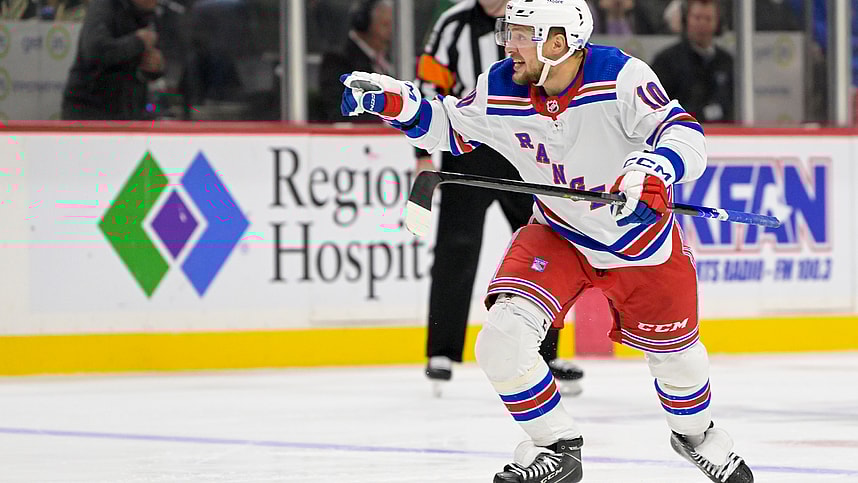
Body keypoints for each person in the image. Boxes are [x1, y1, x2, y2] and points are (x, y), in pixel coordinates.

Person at [338, 0, 755, 481]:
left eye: (521, 35)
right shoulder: (501, 84)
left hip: (641, 242)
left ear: (559, 43)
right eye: (508, 32)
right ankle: (556, 446)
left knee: (678, 363)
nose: (507, 43)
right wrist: (395, 102)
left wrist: (654, 168)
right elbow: (450, 126)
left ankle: (697, 437)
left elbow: (683, 134)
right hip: (559, 232)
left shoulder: (620, 77)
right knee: (501, 340)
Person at [415, 0, 584, 397]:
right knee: (456, 245)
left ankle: (547, 353)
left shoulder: (536, 15)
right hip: (467, 147)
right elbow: (428, 80)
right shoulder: (454, 22)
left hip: (523, 146)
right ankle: (441, 352)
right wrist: (421, 151)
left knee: (546, 246)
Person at [61, 0, 164, 120]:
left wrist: (155, 66)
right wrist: (137, 42)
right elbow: (94, 51)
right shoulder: (105, 6)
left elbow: (158, 54)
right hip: (90, 110)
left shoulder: (151, 15)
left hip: (128, 113)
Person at [651, 0, 733, 123]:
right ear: (686, 20)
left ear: (717, 23)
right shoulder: (666, 61)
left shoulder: (726, 61)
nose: (702, 24)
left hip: (723, 135)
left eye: (708, 19)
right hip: (679, 133)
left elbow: (730, 104)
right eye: (697, 18)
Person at [314, 0, 393, 123]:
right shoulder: (338, 61)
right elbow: (341, 113)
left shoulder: (391, 59)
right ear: (364, 23)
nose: (391, 32)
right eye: (386, 25)